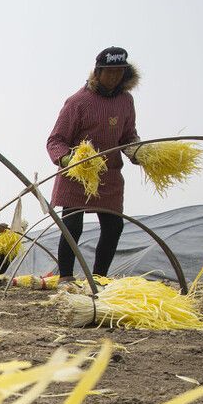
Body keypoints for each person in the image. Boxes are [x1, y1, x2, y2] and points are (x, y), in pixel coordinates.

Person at [46, 46, 141, 287]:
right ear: (97, 72)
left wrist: (139, 152)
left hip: (109, 175)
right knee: (72, 226)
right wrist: (70, 161)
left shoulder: (125, 101)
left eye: (119, 72)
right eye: (109, 72)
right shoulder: (78, 102)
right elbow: (55, 140)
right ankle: (66, 276)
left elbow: (128, 136)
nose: (114, 77)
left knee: (113, 226)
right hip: (78, 175)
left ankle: (98, 278)